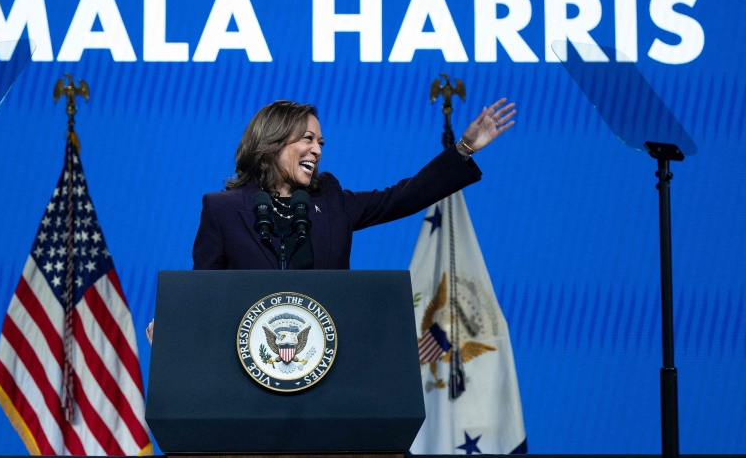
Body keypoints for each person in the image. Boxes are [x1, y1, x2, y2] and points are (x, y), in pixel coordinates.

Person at [145, 98, 515, 343]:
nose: (318, 149)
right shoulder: (223, 210)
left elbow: (403, 197)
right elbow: (203, 288)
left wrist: (463, 150)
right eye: (307, 138)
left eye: (321, 142)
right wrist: (176, 324)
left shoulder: (330, 199)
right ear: (272, 141)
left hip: (329, 366)